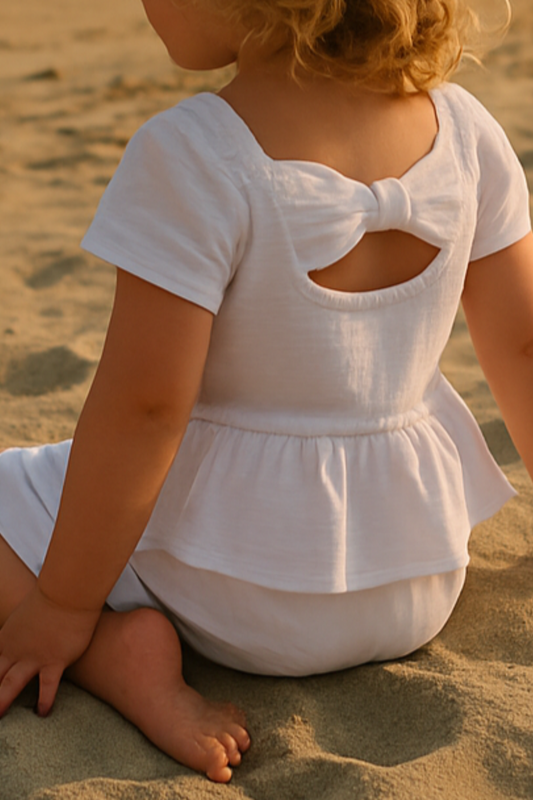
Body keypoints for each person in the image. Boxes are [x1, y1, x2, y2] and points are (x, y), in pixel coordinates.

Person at [0, 0, 531, 784]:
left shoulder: (193, 151)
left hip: (234, 596)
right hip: (414, 584)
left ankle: (118, 660)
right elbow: (521, 349)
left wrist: (66, 607)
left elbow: (145, 411)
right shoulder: (463, 128)